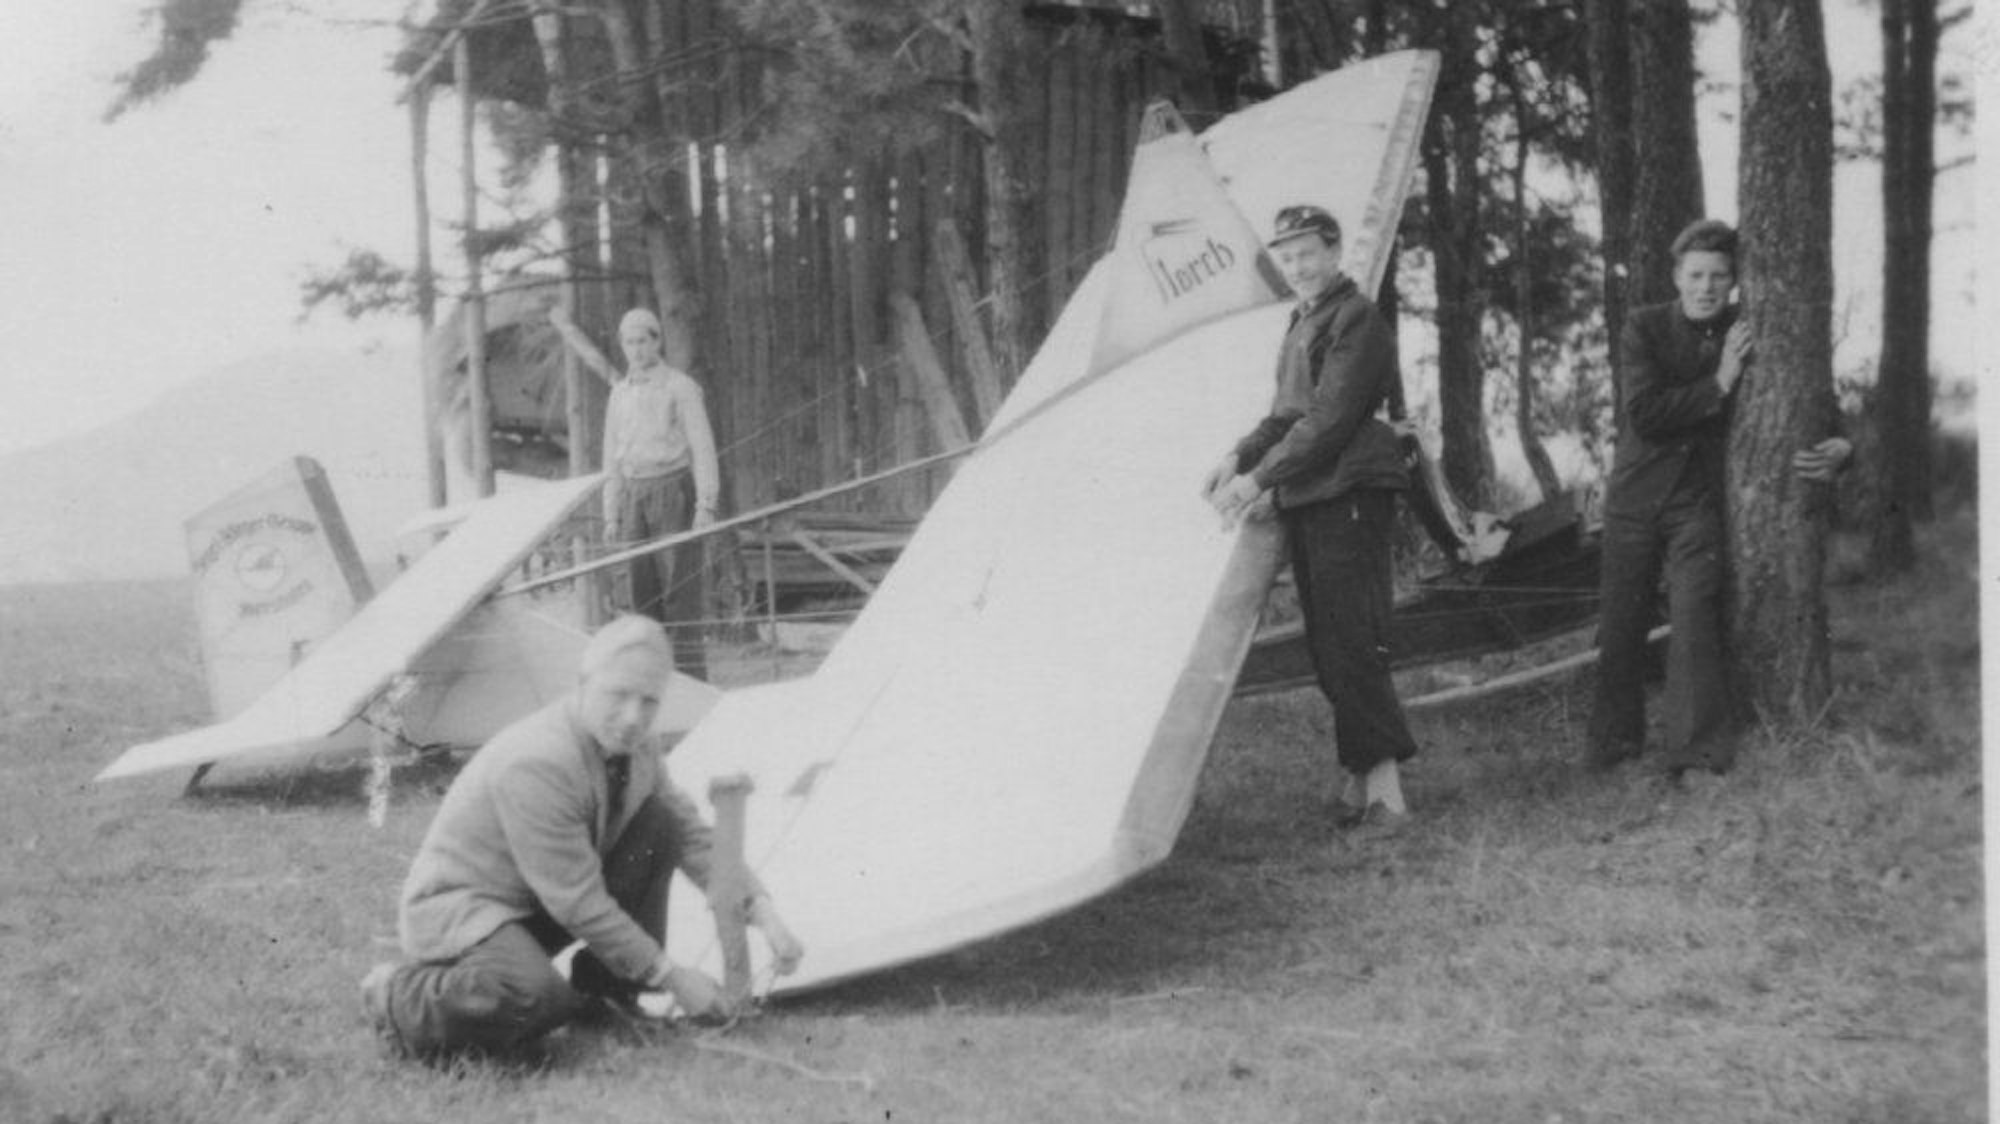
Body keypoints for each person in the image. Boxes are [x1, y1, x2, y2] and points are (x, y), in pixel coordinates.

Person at [360, 615, 804, 1059]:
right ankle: (397, 995)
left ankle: (607, 998)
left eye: (649, 701)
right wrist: (672, 977)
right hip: (467, 910)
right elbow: (577, 901)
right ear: (582, 682)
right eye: (618, 695)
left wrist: (763, 912)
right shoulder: (538, 762)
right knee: (535, 997)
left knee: (661, 823)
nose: (633, 717)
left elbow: (689, 832)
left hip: (536, 900)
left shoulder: (637, 743)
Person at [1588, 218, 1851, 780]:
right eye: (1697, 275)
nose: (1708, 287)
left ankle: (1697, 754)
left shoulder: (1748, 326)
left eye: (1720, 276)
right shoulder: (1644, 327)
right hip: (1635, 496)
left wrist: (1843, 442)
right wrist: (1721, 380)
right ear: (1677, 277)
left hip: (1699, 502)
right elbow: (1645, 414)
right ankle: (1614, 750)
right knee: (1620, 625)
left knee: (1693, 617)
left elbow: (1801, 386)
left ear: (1735, 282)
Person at [1205, 204, 1420, 832]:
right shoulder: (1304, 322)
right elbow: (1284, 415)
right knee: (1329, 645)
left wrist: (1256, 480)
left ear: (1334, 251)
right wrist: (1235, 456)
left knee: (1354, 638)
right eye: (1288, 256)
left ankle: (1387, 794)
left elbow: (1327, 422)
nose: (1298, 267)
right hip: (1314, 496)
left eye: (1308, 253)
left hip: (1350, 492)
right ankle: (1359, 783)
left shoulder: (1357, 319)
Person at [550, 304, 720, 679]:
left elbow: (702, 447)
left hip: (673, 490)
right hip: (633, 495)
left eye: (643, 341)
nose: (636, 350)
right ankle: (650, 682)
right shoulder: (620, 394)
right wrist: (612, 511)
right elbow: (611, 456)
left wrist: (705, 503)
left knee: (680, 592)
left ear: (656, 342)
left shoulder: (680, 387)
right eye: (629, 342)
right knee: (641, 594)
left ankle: (692, 683)